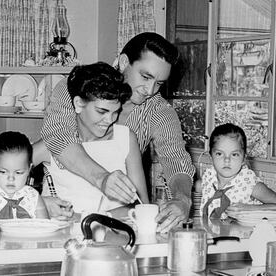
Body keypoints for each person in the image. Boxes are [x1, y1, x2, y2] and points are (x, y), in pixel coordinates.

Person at [41, 32, 195, 233]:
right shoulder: (77, 86)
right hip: (66, 215)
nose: (149, 90)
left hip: (118, 220)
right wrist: (102, 179)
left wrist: (182, 200)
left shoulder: (159, 111)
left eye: (159, 83)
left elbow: (176, 160)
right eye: (146, 76)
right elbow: (58, 137)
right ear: (123, 62)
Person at [35, 62, 149, 215]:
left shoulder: (126, 139)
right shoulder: (53, 142)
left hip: (110, 234)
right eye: (102, 111)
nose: (110, 120)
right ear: (79, 104)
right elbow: (1, 184)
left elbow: (142, 206)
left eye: (115, 112)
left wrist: (99, 220)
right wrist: (40, 202)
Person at [198, 123, 276, 219]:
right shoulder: (208, 178)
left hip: (244, 233)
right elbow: (194, 187)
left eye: (234, 154)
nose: (227, 160)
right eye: (219, 154)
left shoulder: (249, 183)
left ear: (243, 159)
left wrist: (249, 209)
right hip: (211, 233)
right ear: (211, 157)